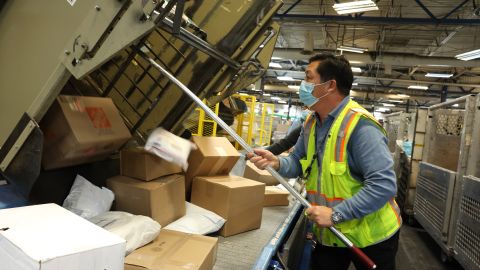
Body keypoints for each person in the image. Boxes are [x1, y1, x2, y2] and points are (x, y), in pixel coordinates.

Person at [248, 53, 401, 270]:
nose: (302, 85)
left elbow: (384, 185)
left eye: (308, 78)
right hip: (331, 233)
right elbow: (298, 161)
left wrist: (337, 214)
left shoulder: (361, 127)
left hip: (371, 235)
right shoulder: (311, 122)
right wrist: (278, 164)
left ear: (329, 85)